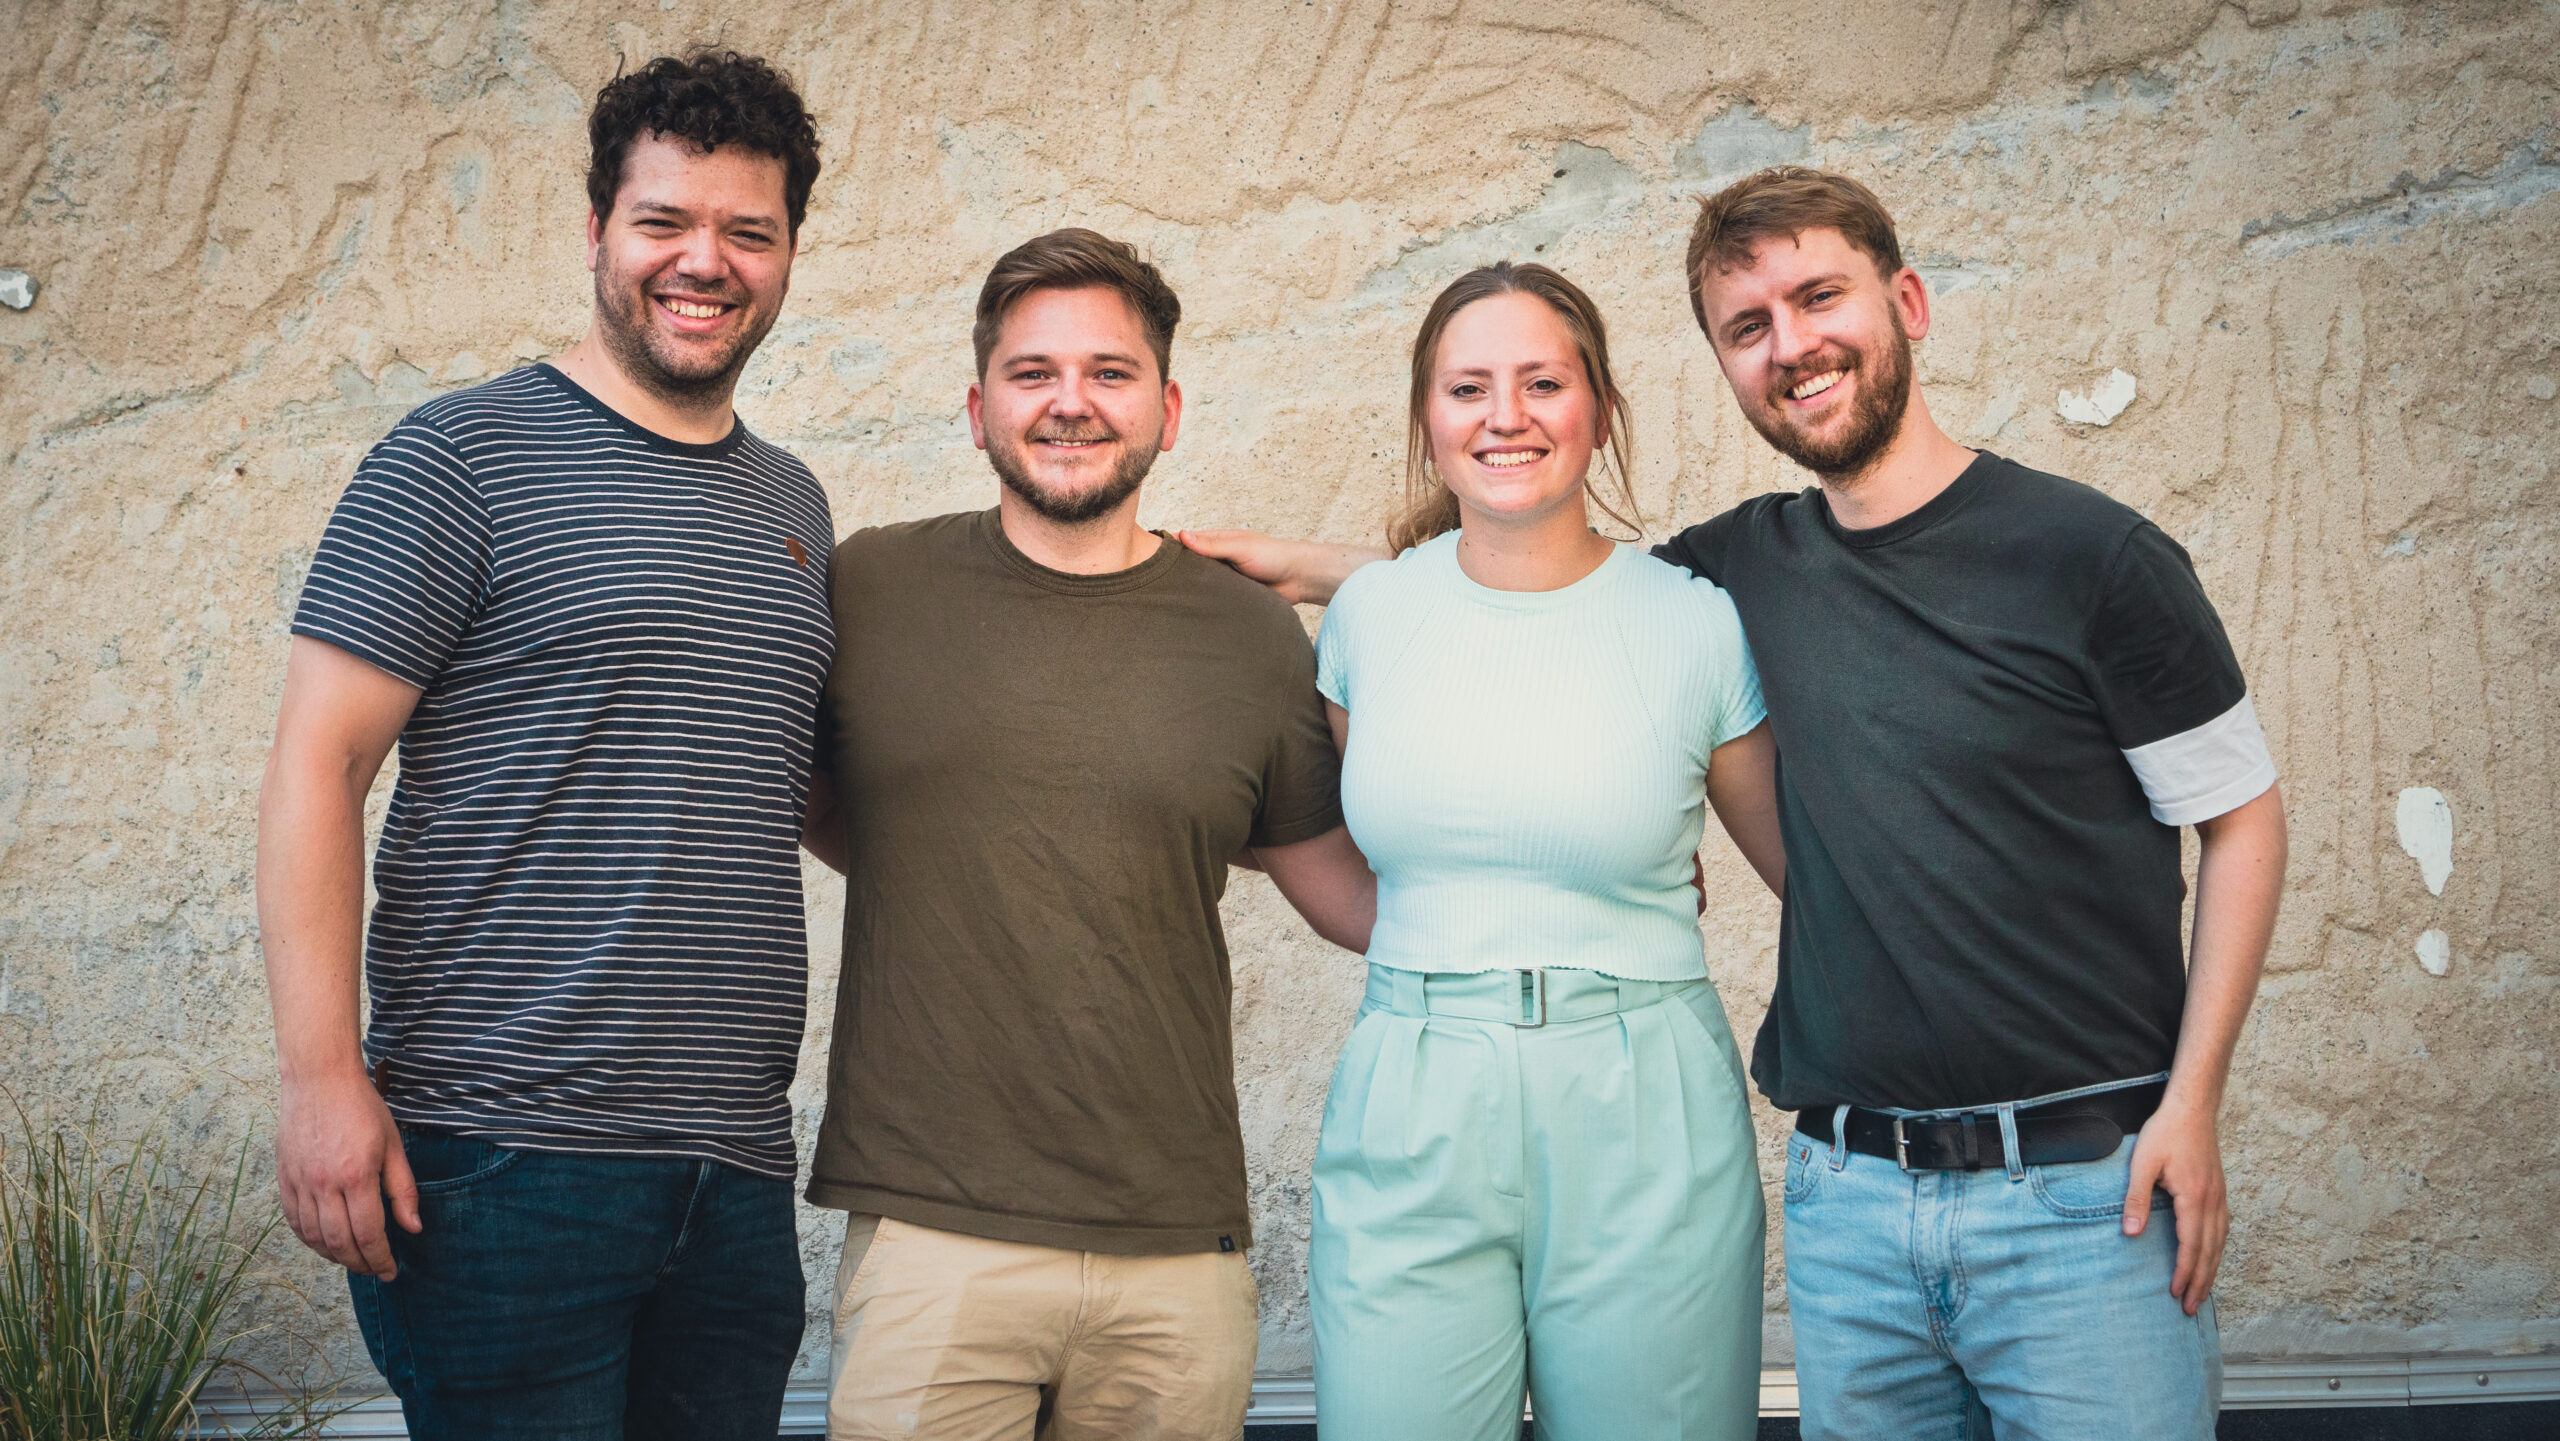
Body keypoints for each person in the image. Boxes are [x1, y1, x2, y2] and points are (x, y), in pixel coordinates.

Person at [1180, 167, 2289, 1441]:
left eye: (1819, 298)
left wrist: (2193, 1102)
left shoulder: (2080, 557)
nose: (1792, 345)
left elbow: (2243, 814)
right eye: (1748, 326)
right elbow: (1527, 588)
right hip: (1851, 1190)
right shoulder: (1739, 570)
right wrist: (1323, 575)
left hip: (2086, 1183)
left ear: (1907, 302)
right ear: (1721, 363)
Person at [256, 51, 830, 1440]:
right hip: (501, 1163)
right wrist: (323, 1076)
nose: (705, 262)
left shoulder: (793, 507)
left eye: (747, 231)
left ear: (790, 252)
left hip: (735, 1171)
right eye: (664, 223)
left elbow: (792, 793)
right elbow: (318, 767)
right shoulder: (457, 457)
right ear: (595, 235)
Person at [800, 227, 1372, 1441]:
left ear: (1166, 407)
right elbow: (826, 812)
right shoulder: (869, 590)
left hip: (1175, 1254)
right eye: (1033, 372)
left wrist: (1588, 872)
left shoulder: (1250, 636)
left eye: (1109, 373)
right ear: (976, 408)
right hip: (931, 1241)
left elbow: (1353, 900)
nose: (1071, 403)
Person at [1295, 261, 1783, 1441]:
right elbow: (1389, 858)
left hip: (1643, 1100)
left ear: (1599, 408)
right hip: (1412, 1091)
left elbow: (1807, 875)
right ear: (1426, 418)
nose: (1504, 416)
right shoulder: (1367, 616)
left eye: (1541, 383)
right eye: (1468, 387)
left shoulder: (1696, 621)